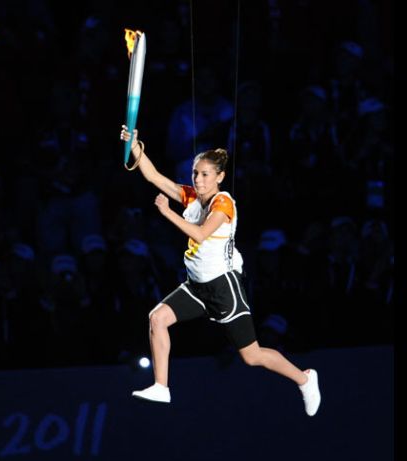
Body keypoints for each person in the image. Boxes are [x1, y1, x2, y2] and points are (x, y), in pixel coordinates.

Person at [119, 125, 321, 416]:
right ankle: (162, 387)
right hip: (196, 285)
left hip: (223, 286)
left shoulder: (223, 202)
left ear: (219, 177)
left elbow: (200, 234)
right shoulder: (191, 197)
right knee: (157, 318)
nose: (198, 180)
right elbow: (153, 176)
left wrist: (167, 213)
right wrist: (135, 146)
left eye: (204, 175)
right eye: (195, 174)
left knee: (251, 356)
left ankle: (305, 379)